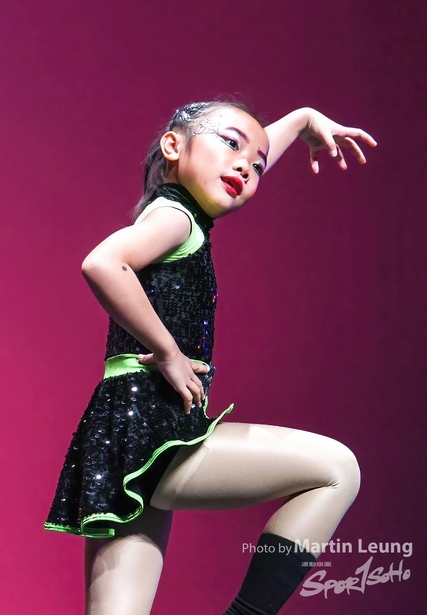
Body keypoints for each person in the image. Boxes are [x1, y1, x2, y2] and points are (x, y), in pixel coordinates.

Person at [44, 99, 377, 615]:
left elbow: (244, 149)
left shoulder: (180, 213)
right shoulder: (176, 218)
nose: (246, 166)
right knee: (338, 468)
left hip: (125, 435)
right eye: (230, 143)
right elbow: (104, 263)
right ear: (173, 146)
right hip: (154, 428)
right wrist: (168, 353)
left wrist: (303, 120)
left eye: (258, 166)